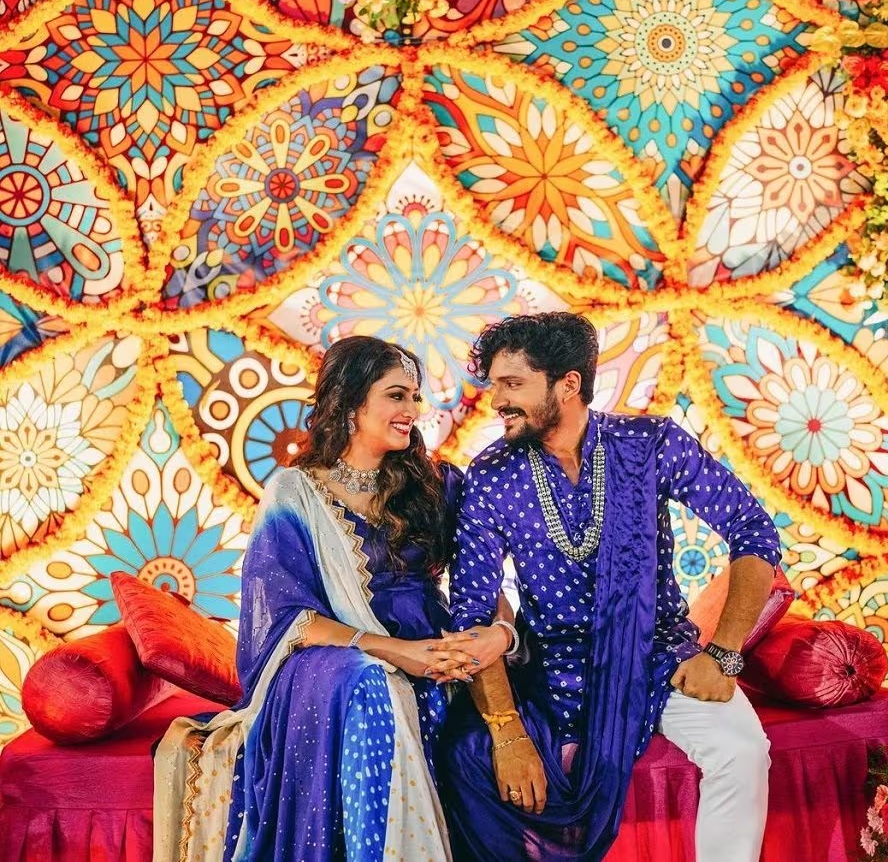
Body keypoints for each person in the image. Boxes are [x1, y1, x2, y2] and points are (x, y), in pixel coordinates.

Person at [437, 312, 782, 862]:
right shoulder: (492, 475)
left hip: (657, 654)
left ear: (568, 384)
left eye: (512, 384)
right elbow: (472, 614)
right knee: (466, 759)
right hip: (553, 671)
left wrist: (723, 653)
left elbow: (753, 529)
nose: (497, 400)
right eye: (495, 385)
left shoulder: (648, 444)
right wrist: (507, 732)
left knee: (742, 752)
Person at [153, 336, 480, 862]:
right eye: (396, 395)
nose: (412, 410)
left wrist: (485, 640)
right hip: (329, 659)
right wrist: (397, 652)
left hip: (430, 654)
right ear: (351, 403)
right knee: (368, 682)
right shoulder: (296, 492)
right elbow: (289, 617)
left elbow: (482, 578)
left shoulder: (437, 485)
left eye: (415, 397)